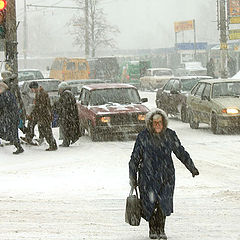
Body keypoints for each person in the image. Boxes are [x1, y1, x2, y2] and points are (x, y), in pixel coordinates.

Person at [129, 108, 199, 239]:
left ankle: (161, 229)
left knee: (163, 203)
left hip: (166, 176)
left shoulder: (170, 135)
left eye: (160, 122)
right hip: (147, 176)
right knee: (150, 204)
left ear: (164, 123)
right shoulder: (143, 137)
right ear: (150, 123)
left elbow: (180, 152)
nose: (157, 125)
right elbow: (134, 158)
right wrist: (132, 177)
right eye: (155, 122)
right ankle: (152, 230)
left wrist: (191, 167)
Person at [27, 81, 57, 151]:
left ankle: (53, 145)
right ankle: (52, 144)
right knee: (45, 131)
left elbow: (41, 107)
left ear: (34, 88)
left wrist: (34, 114)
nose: (32, 91)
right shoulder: (39, 93)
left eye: (32, 89)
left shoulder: (42, 94)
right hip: (43, 116)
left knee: (47, 131)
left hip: (44, 116)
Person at [0, 82, 24, 154]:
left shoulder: (5, 95)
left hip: (10, 116)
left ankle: (18, 147)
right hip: (11, 115)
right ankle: (17, 145)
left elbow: (2, 105)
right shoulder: (8, 93)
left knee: (12, 132)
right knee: (12, 132)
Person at [54, 82, 80, 147]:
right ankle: (67, 141)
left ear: (62, 89)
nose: (58, 91)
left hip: (67, 115)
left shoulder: (66, 94)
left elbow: (64, 105)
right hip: (69, 115)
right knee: (68, 128)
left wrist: (57, 106)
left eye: (59, 89)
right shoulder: (68, 93)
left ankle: (66, 142)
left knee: (66, 129)